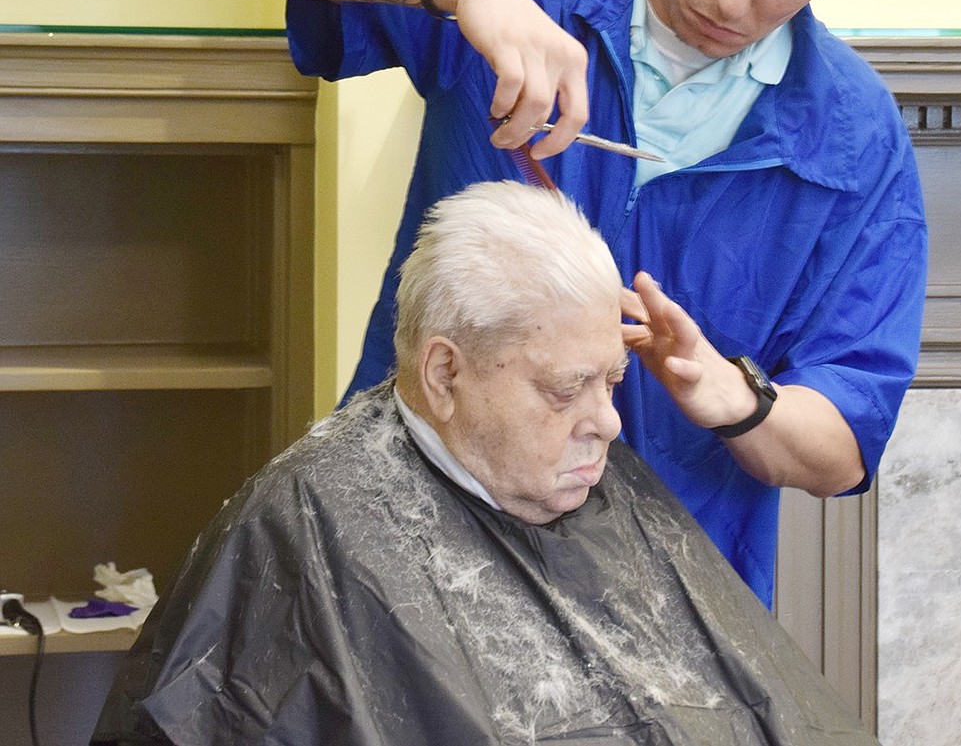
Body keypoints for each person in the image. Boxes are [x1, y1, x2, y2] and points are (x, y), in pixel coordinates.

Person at [217, 0, 928, 607]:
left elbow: (843, 444)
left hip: (667, 605)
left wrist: (728, 393)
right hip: (410, 567)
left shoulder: (856, 141)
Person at [91, 181, 880, 746]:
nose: (605, 423)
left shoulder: (609, 487)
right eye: (566, 388)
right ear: (444, 374)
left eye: (612, 379)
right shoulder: (303, 530)